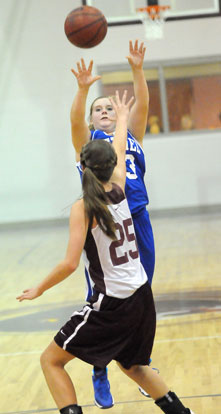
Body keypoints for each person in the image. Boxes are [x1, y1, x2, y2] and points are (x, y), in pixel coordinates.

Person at [16, 91, 194, 414]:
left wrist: (39, 288)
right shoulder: (121, 188)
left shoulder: (83, 208)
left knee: (51, 361)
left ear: (81, 165)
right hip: (142, 296)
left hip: (112, 304)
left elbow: (70, 264)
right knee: (134, 367)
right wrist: (123, 118)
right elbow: (120, 146)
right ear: (113, 166)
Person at [70, 40, 155, 408]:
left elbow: (144, 106)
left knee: (142, 294)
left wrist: (138, 70)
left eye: (109, 107)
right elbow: (74, 120)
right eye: (98, 109)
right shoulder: (88, 145)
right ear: (91, 120)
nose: (105, 111)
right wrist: (83, 90)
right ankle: (99, 367)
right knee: (103, 299)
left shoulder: (129, 135)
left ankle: (140, 364)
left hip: (138, 219)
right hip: (104, 223)